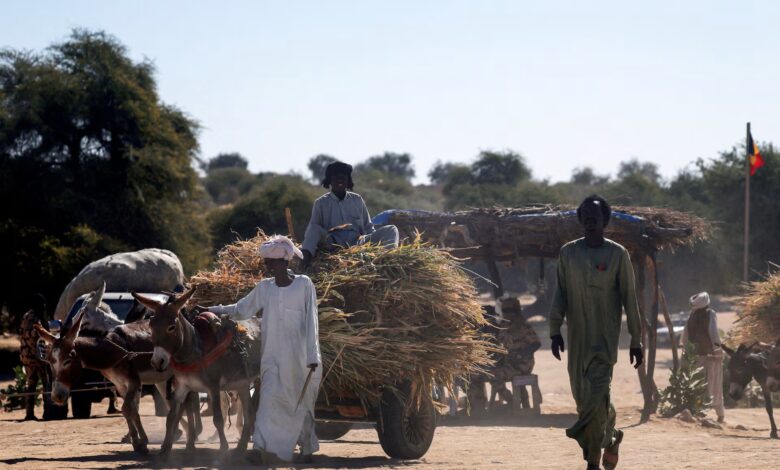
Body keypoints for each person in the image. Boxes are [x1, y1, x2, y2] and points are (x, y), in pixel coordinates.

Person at [207, 235, 321, 464]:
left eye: (273, 262)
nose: (268, 266)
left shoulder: (304, 284)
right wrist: (213, 310)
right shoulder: (265, 288)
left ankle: (306, 448)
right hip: (271, 358)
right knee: (267, 402)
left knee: (300, 404)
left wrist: (312, 355)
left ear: (285, 262)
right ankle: (260, 448)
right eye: (267, 262)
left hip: (301, 359)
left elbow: (312, 322)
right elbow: (241, 309)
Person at [549, 195, 644, 470]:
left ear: (605, 221)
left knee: (594, 398)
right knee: (587, 402)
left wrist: (636, 341)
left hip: (604, 343)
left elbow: (629, 298)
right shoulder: (568, 253)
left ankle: (592, 462)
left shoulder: (617, 254)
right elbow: (561, 294)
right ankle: (612, 437)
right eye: (586, 216)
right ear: (580, 220)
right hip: (577, 343)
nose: (591, 220)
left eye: (596, 216)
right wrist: (555, 330)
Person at [301, 161, 398, 268]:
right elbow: (313, 231)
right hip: (333, 244)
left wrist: (374, 242)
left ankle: (389, 261)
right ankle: (303, 262)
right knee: (313, 228)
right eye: (336, 178)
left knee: (391, 229)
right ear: (330, 180)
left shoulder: (357, 200)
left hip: (359, 243)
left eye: (343, 178)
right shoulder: (321, 203)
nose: (340, 181)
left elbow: (368, 227)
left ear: (348, 181)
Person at [681, 291, 725, 422]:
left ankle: (698, 411)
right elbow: (714, 333)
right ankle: (720, 415)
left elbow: (685, 336)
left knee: (697, 384)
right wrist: (718, 350)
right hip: (710, 356)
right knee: (715, 384)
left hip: (694, 357)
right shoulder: (710, 314)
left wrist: (686, 350)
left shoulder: (692, 315)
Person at [490, 296, 541, 409]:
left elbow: (536, 343)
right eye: (506, 311)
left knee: (495, 377)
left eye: (511, 311)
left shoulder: (523, 325)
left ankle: (513, 403)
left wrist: (522, 355)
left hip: (521, 365)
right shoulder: (503, 326)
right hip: (508, 364)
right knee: (490, 373)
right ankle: (513, 402)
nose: (508, 313)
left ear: (516, 310)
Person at [18, 294, 48, 421]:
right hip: (35, 357)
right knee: (45, 383)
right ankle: (48, 411)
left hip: (28, 356)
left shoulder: (27, 316)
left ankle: (29, 413)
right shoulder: (33, 318)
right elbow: (33, 336)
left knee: (31, 384)